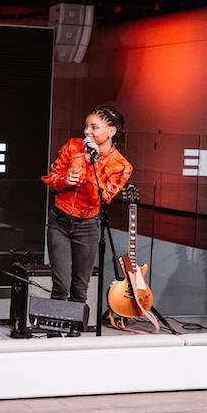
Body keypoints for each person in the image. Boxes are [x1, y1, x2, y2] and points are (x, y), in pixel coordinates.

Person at [41, 105, 132, 329]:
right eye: (86, 126)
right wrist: (64, 179)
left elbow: (101, 198)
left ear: (111, 131)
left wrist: (93, 162)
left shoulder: (120, 165)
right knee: (61, 284)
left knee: (79, 288)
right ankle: (54, 332)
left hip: (88, 226)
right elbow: (51, 179)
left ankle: (74, 333)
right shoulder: (73, 146)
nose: (87, 132)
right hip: (60, 220)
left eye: (94, 127)